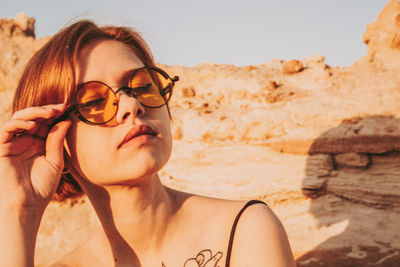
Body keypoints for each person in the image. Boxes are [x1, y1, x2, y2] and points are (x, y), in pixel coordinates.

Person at [0, 20, 295, 267]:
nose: (131, 104)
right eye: (95, 101)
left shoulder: (245, 230)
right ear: (55, 139)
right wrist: (19, 212)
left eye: (143, 86)